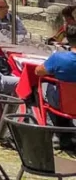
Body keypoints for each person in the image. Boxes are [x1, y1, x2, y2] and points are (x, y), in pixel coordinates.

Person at [36, 23, 76, 152]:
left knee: (41, 87)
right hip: (69, 100)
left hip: (62, 101)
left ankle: (52, 130)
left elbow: (38, 71)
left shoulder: (58, 57)